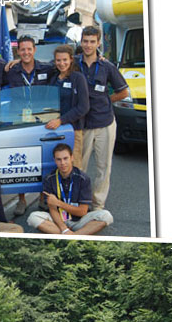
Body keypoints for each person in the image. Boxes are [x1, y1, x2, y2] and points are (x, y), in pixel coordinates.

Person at [78, 25, 129, 208]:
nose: (88, 45)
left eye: (92, 42)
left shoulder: (107, 66)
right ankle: (79, 202)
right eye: (85, 41)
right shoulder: (74, 64)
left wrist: (106, 99)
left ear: (98, 43)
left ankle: (97, 204)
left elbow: (123, 93)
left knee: (103, 167)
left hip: (104, 123)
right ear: (81, 42)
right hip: (82, 125)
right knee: (79, 167)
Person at [6, 36, 54, 217]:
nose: (26, 52)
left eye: (29, 49)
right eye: (22, 49)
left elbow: (68, 63)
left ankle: (43, 196)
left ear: (34, 50)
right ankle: (22, 199)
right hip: (19, 120)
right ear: (18, 52)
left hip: (41, 120)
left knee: (42, 159)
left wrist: (99, 57)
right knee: (21, 161)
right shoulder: (11, 70)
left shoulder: (47, 68)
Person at [27, 143, 113, 235]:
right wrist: (64, 228)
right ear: (54, 160)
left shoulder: (83, 178)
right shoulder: (49, 179)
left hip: (79, 221)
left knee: (106, 216)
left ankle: (72, 236)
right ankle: (75, 235)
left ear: (71, 158)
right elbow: (52, 209)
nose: (62, 163)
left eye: (65, 158)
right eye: (59, 159)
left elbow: (82, 211)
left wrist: (58, 203)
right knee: (33, 217)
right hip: (58, 220)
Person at [46, 44, 90, 168]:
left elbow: (83, 107)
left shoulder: (78, 78)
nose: (62, 63)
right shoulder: (53, 79)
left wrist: (61, 120)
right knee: (57, 164)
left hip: (72, 130)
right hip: (54, 129)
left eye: (65, 60)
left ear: (71, 59)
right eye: (58, 60)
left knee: (73, 166)